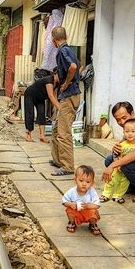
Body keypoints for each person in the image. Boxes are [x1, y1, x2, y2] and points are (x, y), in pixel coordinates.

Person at [49, 26, 81, 176]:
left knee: (64, 132)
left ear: (54, 40)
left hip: (69, 95)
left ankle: (67, 166)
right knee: (57, 129)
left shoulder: (62, 51)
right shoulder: (70, 50)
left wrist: (66, 83)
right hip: (69, 95)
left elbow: (73, 67)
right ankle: (58, 160)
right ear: (66, 36)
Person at [100, 119, 135, 203]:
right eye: (127, 131)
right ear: (124, 132)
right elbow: (115, 155)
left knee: (124, 184)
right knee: (111, 180)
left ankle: (118, 196)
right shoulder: (122, 144)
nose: (130, 133)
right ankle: (106, 194)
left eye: (133, 131)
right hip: (118, 169)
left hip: (128, 170)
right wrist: (117, 164)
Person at [61, 165, 101, 235]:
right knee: (69, 210)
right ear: (75, 180)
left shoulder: (92, 192)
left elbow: (97, 205)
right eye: (81, 181)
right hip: (77, 212)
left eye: (88, 182)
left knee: (94, 212)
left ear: (92, 183)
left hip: (87, 212)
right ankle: (72, 222)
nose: (84, 184)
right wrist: (70, 204)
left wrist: (88, 206)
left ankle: (92, 225)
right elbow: (64, 201)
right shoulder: (72, 191)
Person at [21, 69, 60, 142]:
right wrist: (60, 108)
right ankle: (28, 135)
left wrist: (55, 107)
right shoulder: (49, 80)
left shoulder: (57, 84)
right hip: (30, 94)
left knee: (42, 114)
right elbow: (50, 96)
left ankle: (42, 136)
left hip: (40, 97)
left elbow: (54, 96)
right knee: (30, 114)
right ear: (56, 74)